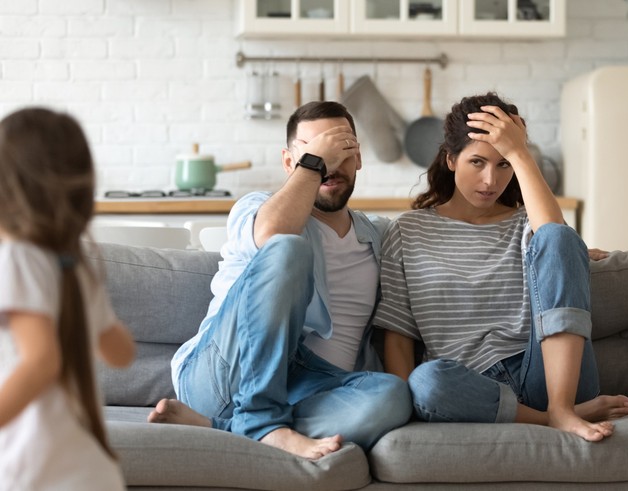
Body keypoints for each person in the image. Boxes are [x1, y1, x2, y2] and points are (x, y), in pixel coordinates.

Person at [154, 101, 412, 460]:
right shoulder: (258, 207)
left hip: (310, 387)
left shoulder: (379, 236)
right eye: (314, 151)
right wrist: (315, 162)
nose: (330, 164)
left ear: (358, 158)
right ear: (291, 162)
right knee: (287, 249)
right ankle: (262, 421)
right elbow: (273, 233)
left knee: (393, 396)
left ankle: (228, 427)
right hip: (224, 372)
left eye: (341, 149)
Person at [373, 93, 628, 442]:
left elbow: (555, 237)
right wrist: (401, 412)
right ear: (451, 160)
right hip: (470, 387)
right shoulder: (407, 231)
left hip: (550, 374)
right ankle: (550, 419)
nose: (490, 181)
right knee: (424, 382)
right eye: (477, 162)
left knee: (559, 237)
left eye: (504, 164)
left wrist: (520, 151)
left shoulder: (529, 224)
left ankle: (560, 407)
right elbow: (398, 334)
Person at [0, 108, 137, 490]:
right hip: (90, 470)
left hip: (34, 468)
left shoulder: (19, 259)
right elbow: (121, 352)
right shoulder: (72, 265)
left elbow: (41, 360)